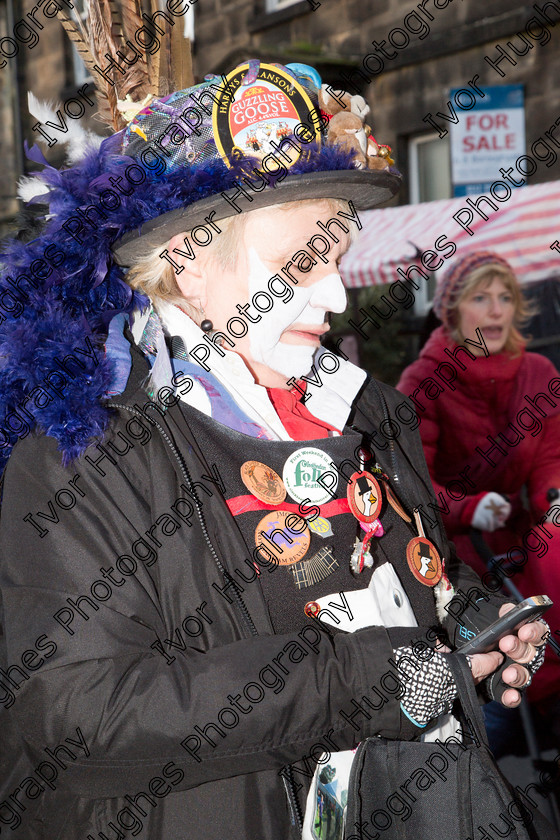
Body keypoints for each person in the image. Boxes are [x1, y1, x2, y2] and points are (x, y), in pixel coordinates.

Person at [0, 62, 551, 840]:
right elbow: (74, 712)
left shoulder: (367, 408)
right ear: (189, 261)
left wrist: (469, 624)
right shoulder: (82, 455)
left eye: (334, 257)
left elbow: (403, 569)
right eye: (299, 263)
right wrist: (366, 682)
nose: (333, 297)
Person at [397, 251, 560, 730]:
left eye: (506, 297)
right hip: (460, 558)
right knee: (495, 700)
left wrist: (554, 501)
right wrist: (469, 509)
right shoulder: (423, 381)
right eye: (481, 298)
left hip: (529, 546)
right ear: (452, 311)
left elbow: (550, 461)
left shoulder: (538, 373)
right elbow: (413, 486)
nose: (495, 311)